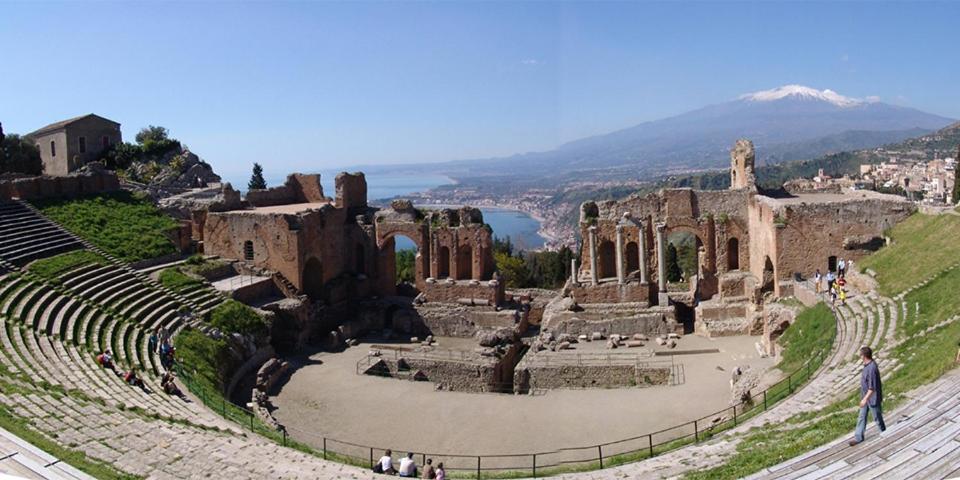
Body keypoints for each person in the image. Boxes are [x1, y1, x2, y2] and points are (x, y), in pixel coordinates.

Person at [849, 346, 886, 445]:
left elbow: (872, 388)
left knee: (877, 418)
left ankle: (885, 433)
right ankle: (858, 437)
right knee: (861, 417)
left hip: (872, 398)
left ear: (864, 356)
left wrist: (865, 399)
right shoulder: (867, 366)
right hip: (865, 397)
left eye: (860, 355)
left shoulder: (872, 368)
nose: (860, 357)